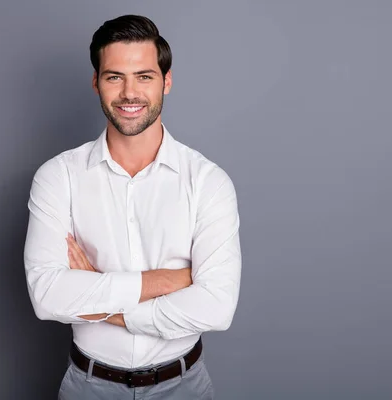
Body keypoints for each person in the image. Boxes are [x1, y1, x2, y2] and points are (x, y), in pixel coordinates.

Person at [23, 14, 242, 400]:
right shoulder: (58, 177)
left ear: (166, 82)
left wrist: (105, 302)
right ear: (96, 82)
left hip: (185, 387)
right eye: (114, 77)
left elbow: (216, 307)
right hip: (87, 387)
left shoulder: (208, 181)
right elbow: (47, 296)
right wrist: (166, 281)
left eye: (144, 76)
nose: (129, 93)